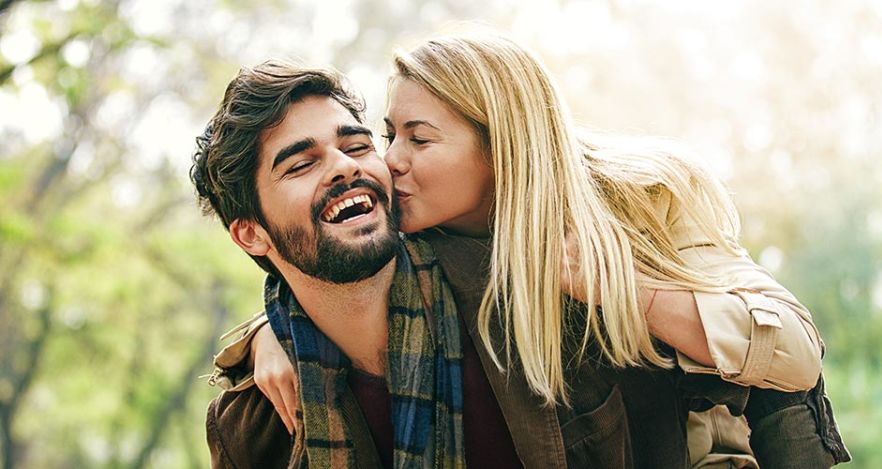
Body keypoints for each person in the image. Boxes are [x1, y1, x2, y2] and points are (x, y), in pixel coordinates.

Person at [202, 33, 849, 468]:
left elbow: (793, 352)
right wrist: (276, 329)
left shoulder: (636, 198)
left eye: (416, 140)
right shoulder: (419, 224)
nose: (385, 162)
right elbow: (330, 269)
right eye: (388, 134)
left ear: (501, 147)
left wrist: (626, 289)